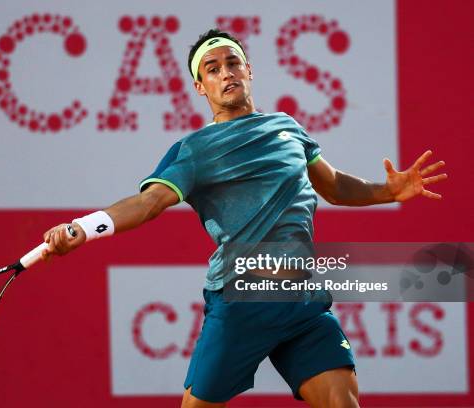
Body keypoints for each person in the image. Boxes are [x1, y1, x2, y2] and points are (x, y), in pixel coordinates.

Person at [41, 29, 448, 408]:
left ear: (248, 70)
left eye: (232, 63)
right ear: (201, 87)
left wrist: (389, 191)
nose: (226, 74)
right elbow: (148, 204)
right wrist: (83, 228)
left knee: (343, 401)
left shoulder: (288, 128)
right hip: (241, 301)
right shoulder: (196, 150)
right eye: (212, 69)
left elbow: (335, 186)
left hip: (301, 301)